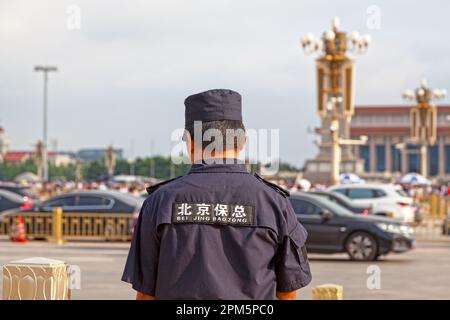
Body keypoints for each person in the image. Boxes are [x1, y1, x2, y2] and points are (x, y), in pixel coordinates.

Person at [121, 89, 311, 300]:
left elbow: (146, 294)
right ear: (243, 141)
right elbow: (288, 291)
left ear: (189, 142)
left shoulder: (160, 202)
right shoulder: (274, 203)